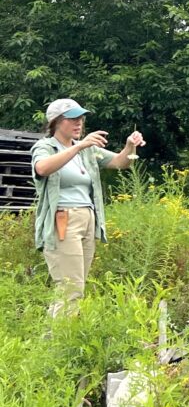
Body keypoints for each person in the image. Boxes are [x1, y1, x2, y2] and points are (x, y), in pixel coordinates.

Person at [31, 98, 145, 318]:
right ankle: (62, 344)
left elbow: (121, 163)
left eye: (81, 119)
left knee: (74, 286)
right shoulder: (45, 147)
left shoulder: (87, 150)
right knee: (70, 288)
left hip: (88, 219)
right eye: (72, 119)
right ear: (56, 122)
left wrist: (130, 145)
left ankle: (51, 340)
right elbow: (42, 168)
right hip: (62, 219)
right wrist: (81, 145)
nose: (79, 123)